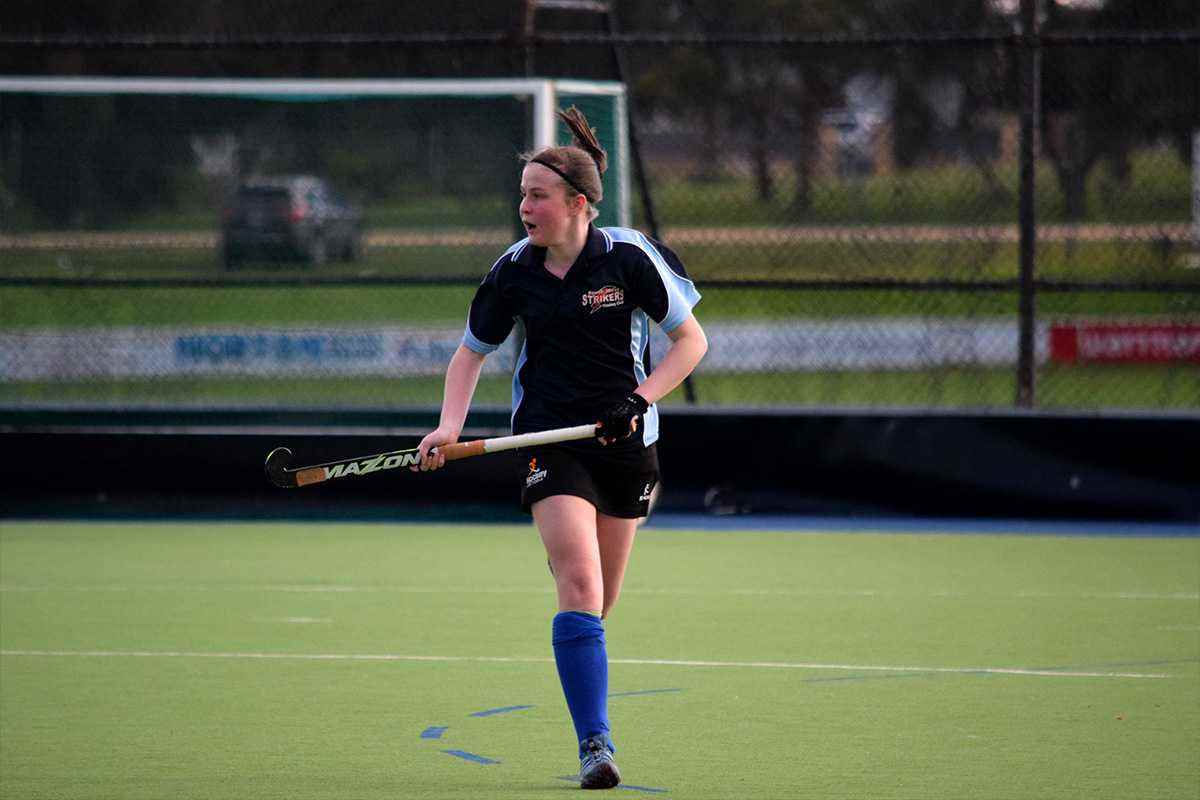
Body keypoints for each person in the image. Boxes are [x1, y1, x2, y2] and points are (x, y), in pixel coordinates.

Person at [415, 107, 707, 790]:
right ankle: (595, 746)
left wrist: (639, 400)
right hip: (549, 439)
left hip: (629, 443)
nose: (524, 207)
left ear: (577, 203)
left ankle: (585, 688)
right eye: (521, 195)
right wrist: (449, 427)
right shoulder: (514, 270)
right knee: (576, 582)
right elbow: (469, 356)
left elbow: (691, 343)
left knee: (597, 604)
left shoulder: (629, 258)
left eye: (537, 195)